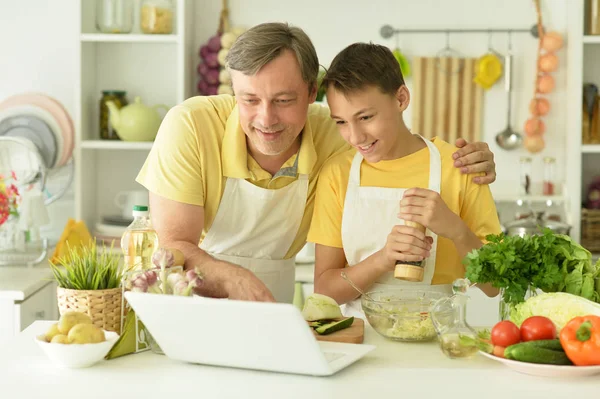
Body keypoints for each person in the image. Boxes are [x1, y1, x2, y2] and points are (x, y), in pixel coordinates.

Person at [135, 22, 498, 304]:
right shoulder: (191, 125)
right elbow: (176, 245)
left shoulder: (335, 133)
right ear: (233, 92)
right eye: (249, 99)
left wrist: (466, 160)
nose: (266, 119)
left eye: (283, 100)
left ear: (312, 93)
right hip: (187, 293)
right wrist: (237, 279)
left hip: (273, 297)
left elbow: (393, 140)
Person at [307, 42, 501, 316]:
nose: (355, 136)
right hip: (362, 338)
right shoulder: (337, 174)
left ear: (401, 99)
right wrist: (383, 259)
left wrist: (457, 231)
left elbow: (494, 285)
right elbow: (324, 290)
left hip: (439, 336)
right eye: (341, 122)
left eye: (365, 117)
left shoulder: (458, 166)